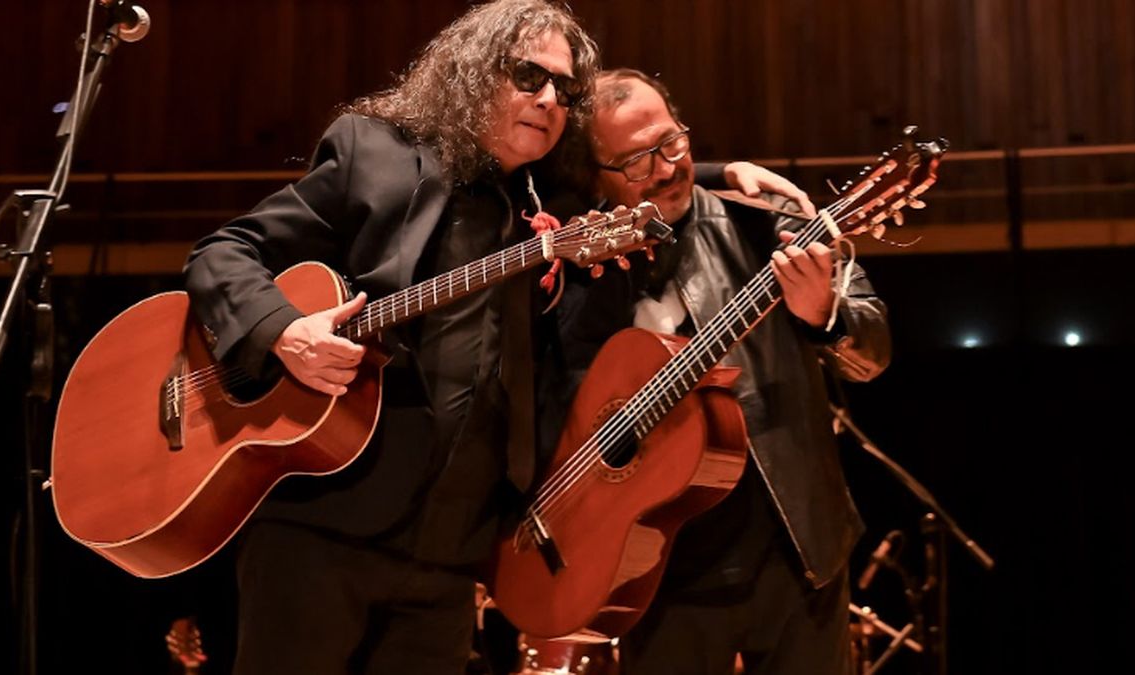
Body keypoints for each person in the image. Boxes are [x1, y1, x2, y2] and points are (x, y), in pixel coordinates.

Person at [183, 2, 792, 671]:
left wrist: (721, 175)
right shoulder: (375, 153)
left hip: (454, 552)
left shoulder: (550, 197)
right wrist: (283, 330)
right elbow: (224, 252)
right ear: (473, 70)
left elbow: (633, 178)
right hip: (324, 525)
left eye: (565, 89)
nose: (549, 98)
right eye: (529, 75)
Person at [545, 69, 892, 675]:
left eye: (670, 143)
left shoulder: (771, 219)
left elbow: (874, 352)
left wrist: (824, 317)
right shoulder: (584, 262)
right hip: (655, 567)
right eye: (633, 162)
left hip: (796, 552)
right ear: (594, 174)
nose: (663, 168)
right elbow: (562, 405)